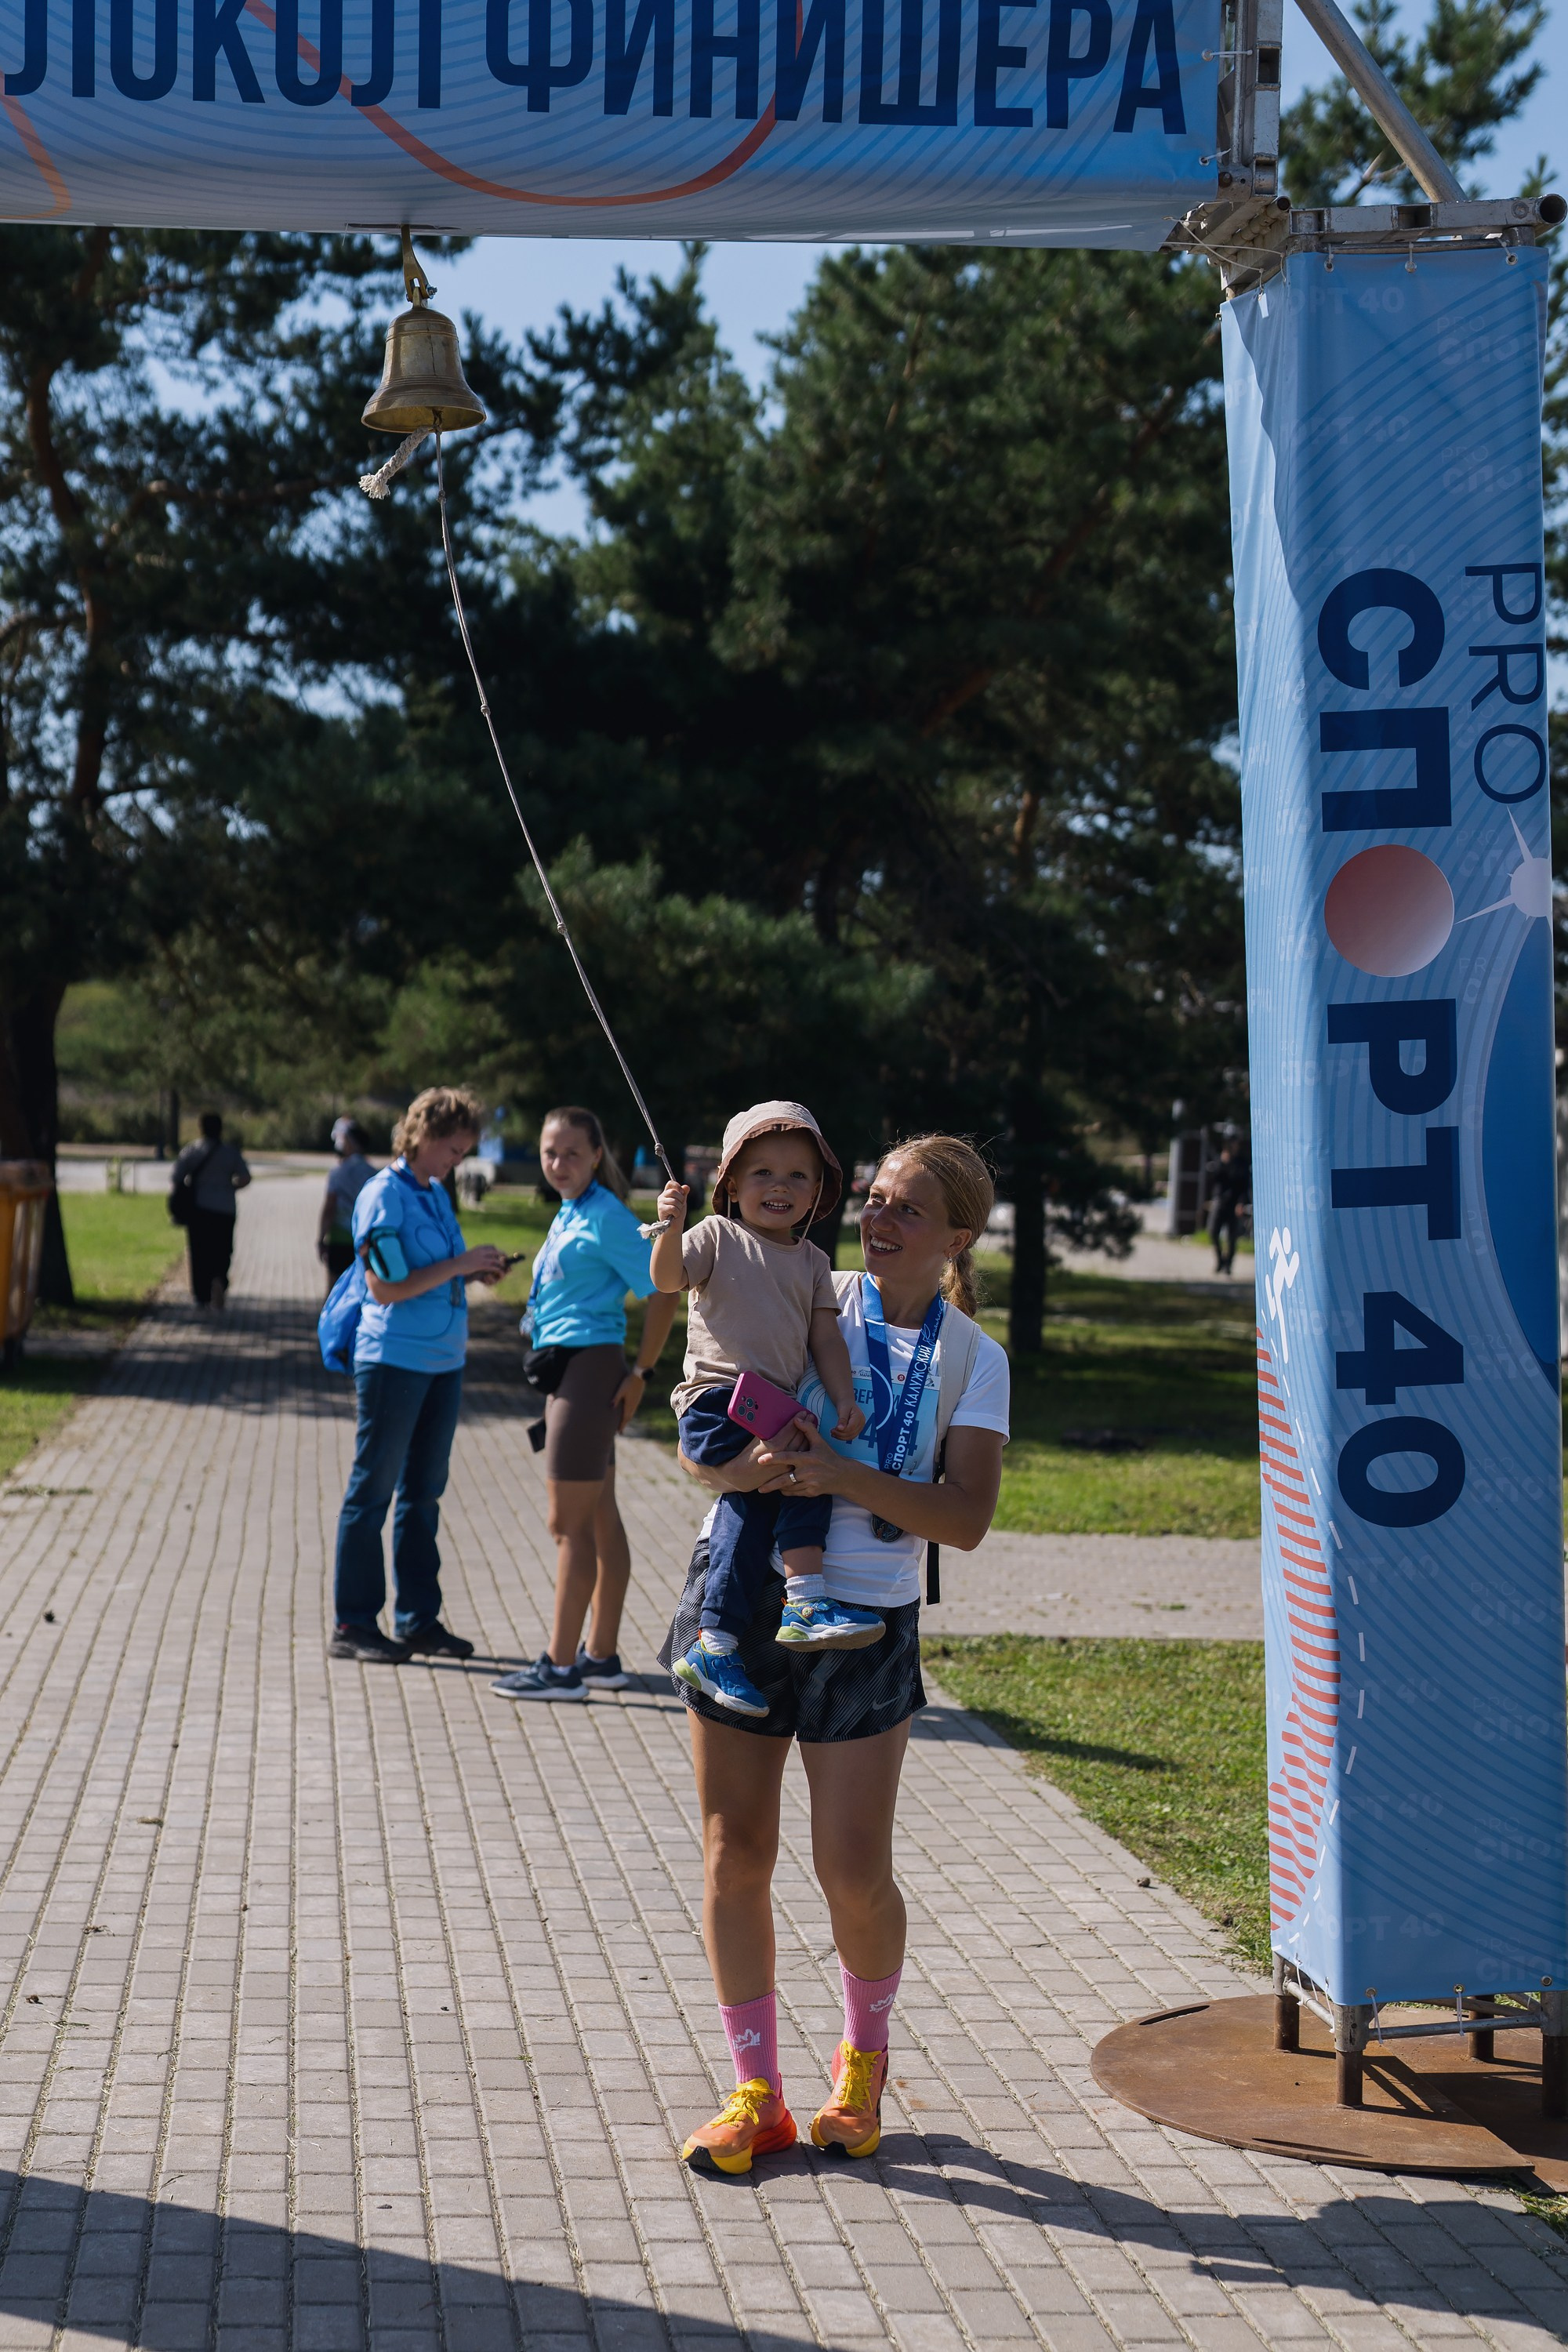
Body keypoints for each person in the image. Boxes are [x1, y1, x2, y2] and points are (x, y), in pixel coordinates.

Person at [664, 1134, 1010, 2177]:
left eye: (906, 1208)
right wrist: (731, 1465)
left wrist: (841, 1474)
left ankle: (861, 2064)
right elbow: (701, 1418)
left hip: (868, 1621)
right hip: (746, 1602)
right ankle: (757, 2092)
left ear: (954, 1238)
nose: (878, 1218)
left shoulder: (973, 1359)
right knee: (736, 1856)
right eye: (873, 1197)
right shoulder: (807, 1288)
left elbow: (965, 1519)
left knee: (850, 1871)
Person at [651, 1102, 873, 1725]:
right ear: (731, 1186)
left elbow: (826, 1340)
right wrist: (670, 1226)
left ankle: (780, 1612)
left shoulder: (813, 1263)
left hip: (771, 1406)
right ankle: (741, 1630)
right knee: (760, 1492)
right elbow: (668, 1280)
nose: (780, 1186)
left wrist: (845, 1398)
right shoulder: (716, 1236)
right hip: (717, 1399)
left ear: (819, 1192)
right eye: (762, 1173)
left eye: (798, 1176)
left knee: (805, 1475)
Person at [491, 1106, 679, 1702]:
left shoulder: (606, 1217)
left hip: (591, 1370)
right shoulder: (573, 1211)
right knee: (600, 1517)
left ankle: (560, 1667)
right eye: (550, 1153)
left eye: (572, 1153)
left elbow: (663, 1291)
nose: (558, 1164)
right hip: (571, 1370)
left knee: (566, 1525)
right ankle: (599, 1658)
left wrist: (643, 1372)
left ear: (598, 1156)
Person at [330, 1086, 508, 1666]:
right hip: (393, 1363)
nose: (456, 1162)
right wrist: (460, 1263)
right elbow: (386, 1287)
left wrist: (474, 1273)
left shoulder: (433, 1193)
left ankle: (417, 1619)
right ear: (424, 1138)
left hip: (442, 1364)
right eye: (453, 1151)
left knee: (422, 1495)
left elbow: (433, 1275)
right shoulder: (384, 1195)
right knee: (372, 1491)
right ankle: (355, 1622)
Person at [172, 1112, 251, 1309]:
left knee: (199, 1252)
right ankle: (219, 1279)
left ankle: (201, 1296)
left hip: (199, 1209)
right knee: (223, 1250)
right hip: (225, 1208)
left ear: (201, 1128)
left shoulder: (192, 1151)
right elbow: (245, 1177)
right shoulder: (231, 1152)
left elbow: (176, 1176)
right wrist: (230, 1187)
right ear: (220, 1129)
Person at [319, 1118, 374, 1292]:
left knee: (334, 1291)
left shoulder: (337, 1173)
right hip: (365, 1239)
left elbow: (329, 1207)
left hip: (339, 1238)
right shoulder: (374, 1173)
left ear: (350, 1143)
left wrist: (321, 1238)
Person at [1208, 1145, 1249, 1277]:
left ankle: (1228, 1265)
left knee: (1232, 1237)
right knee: (1213, 1232)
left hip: (1234, 1203)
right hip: (1220, 1202)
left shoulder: (1241, 1163)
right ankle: (1220, 1260)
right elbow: (1214, 1178)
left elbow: (1244, 1185)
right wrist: (1222, 1163)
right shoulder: (1220, 1160)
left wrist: (1241, 1203)